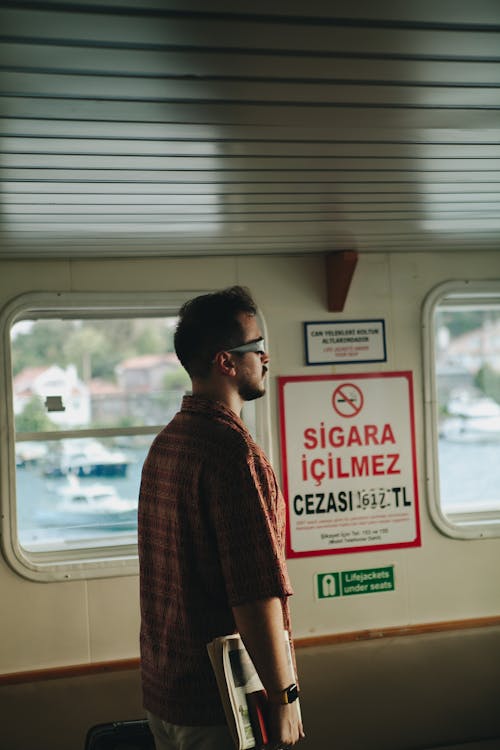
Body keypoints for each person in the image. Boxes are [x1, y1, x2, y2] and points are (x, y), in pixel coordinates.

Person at [138, 286, 304, 750]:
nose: (266, 358)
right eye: (256, 347)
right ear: (226, 362)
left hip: (165, 694)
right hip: (222, 708)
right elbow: (256, 594)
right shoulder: (233, 455)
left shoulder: (167, 443)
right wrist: (284, 695)